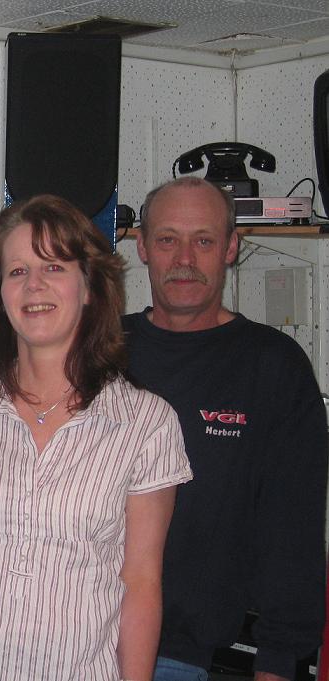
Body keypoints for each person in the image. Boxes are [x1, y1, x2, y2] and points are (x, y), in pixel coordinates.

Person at [0, 195, 192, 681]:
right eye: (17, 271)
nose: (34, 285)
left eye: (54, 266)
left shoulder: (146, 423)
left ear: (89, 286)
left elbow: (141, 581)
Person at [124, 176, 328, 681]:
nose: (184, 259)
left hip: (186, 658)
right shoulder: (99, 350)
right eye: (167, 239)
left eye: (204, 240)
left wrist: (279, 663)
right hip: (73, 637)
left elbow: (293, 533)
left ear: (232, 248)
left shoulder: (274, 367)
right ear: (143, 247)